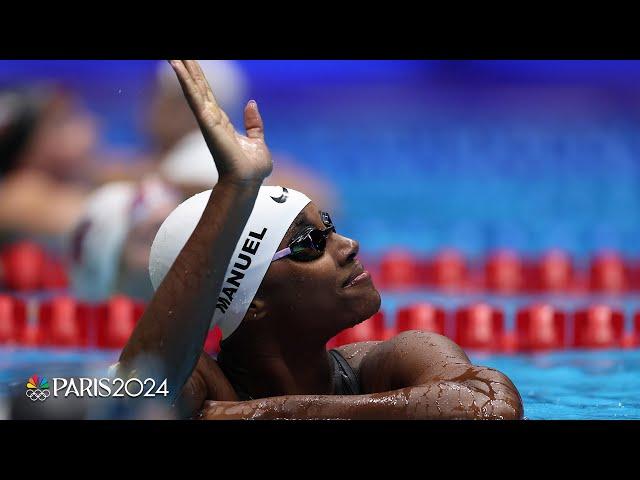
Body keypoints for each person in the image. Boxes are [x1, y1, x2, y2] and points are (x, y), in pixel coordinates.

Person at [115, 60, 523, 420]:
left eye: (328, 226)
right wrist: (235, 187)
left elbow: (492, 407)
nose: (348, 245)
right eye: (312, 242)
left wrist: (270, 412)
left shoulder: (395, 362)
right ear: (250, 302)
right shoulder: (201, 385)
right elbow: (128, 398)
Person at [0, 86, 97, 246]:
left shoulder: (63, 182)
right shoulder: (19, 192)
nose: (86, 126)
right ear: (28, 146)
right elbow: (95, 221)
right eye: (61, 123)